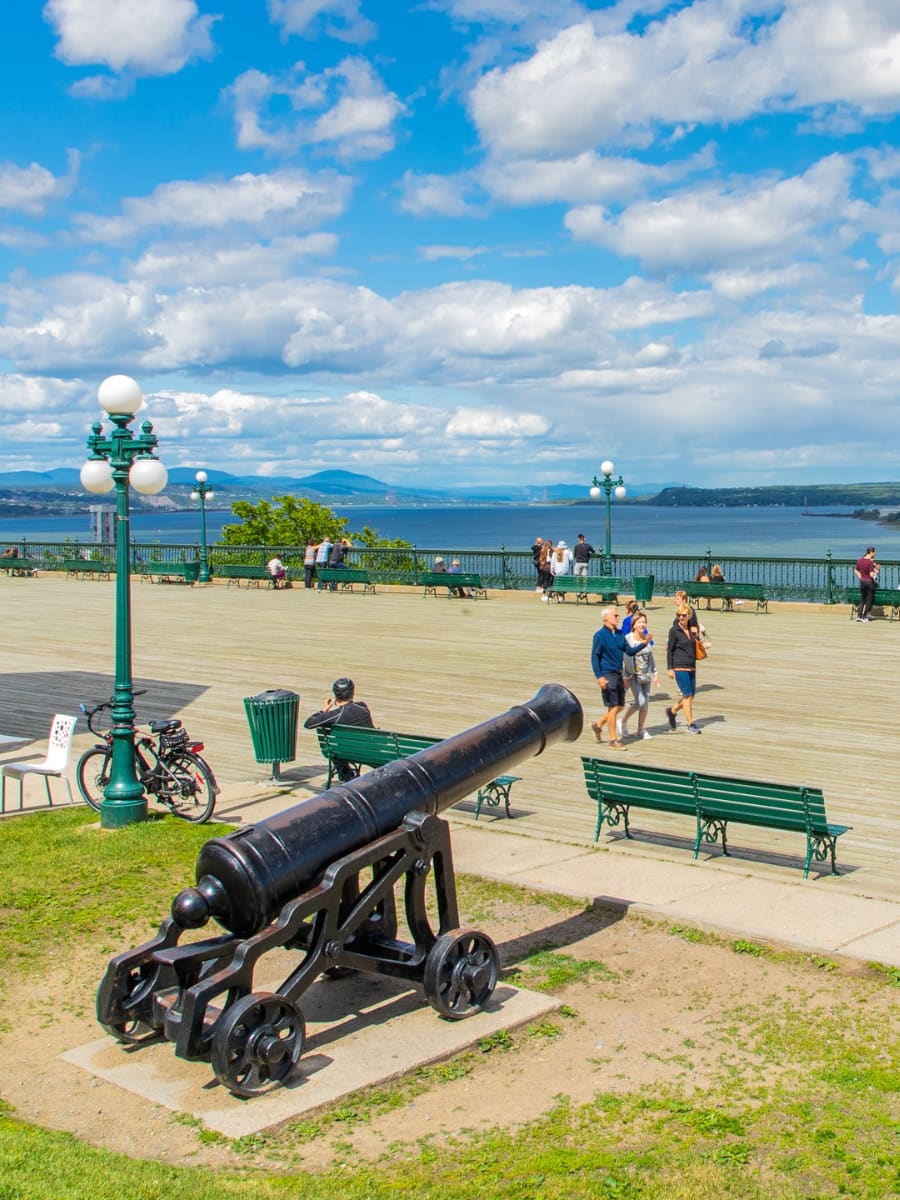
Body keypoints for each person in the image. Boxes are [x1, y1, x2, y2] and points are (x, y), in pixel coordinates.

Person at [590, 606, 649, 749]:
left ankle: (598, 725)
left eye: (617, 615)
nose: (618, 618)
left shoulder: (619, 633)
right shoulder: (599, 636)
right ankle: (613, 740)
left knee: (620, 706)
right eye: (615, 615)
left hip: (618, 673)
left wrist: (644, 644)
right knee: (613, 706)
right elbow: (594, 657)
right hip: (607, 674)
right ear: (606, 618)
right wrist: (599, 677)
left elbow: (629, 651)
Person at [303, 677, 374, 782]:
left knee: (333, 748)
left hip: (347, 752)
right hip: (373, 751)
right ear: (352, 692)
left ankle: (346, 775)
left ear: (336, 695)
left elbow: (309, 724)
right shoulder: (363, 707)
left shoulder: (335, 715)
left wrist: (325, 709)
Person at [620, 611, 659, 739]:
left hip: (646, 675)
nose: (643, 625)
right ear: (634, 625)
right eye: (640, 622)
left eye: (644, 622)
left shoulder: (647, 637)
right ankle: (623, 720)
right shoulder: (628, 639)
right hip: (633, 676)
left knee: (645, 703)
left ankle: (640, 730)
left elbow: (651, 657)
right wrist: (626, 677)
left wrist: (655, 674)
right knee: (640, 701)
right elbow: (626, 659)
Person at [666, 605, 702, 734]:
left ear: (689, 616)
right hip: (679, 665)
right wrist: (670, 668)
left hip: (691, 665)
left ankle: (672, 711)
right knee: (687, 696)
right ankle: (690, 724)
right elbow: (669, 650)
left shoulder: (692, 630)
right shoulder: (674, 631)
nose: (681, 617)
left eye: (684, 615)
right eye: (679, 615)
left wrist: (697, 635)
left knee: (691, 695)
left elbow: (696, 645)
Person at [855, 546, 880, 622]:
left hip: (862, 582)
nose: (875, 553)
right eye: (874, 552)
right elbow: (871, 574)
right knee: (868, 600)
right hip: (869, 582)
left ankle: (859, 616)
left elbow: (856, 571)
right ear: (871, 552)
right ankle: (864, 616)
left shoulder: (859, 560)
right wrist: (877, 570)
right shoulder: (870, 562)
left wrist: (861, 577)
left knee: (863, 599)